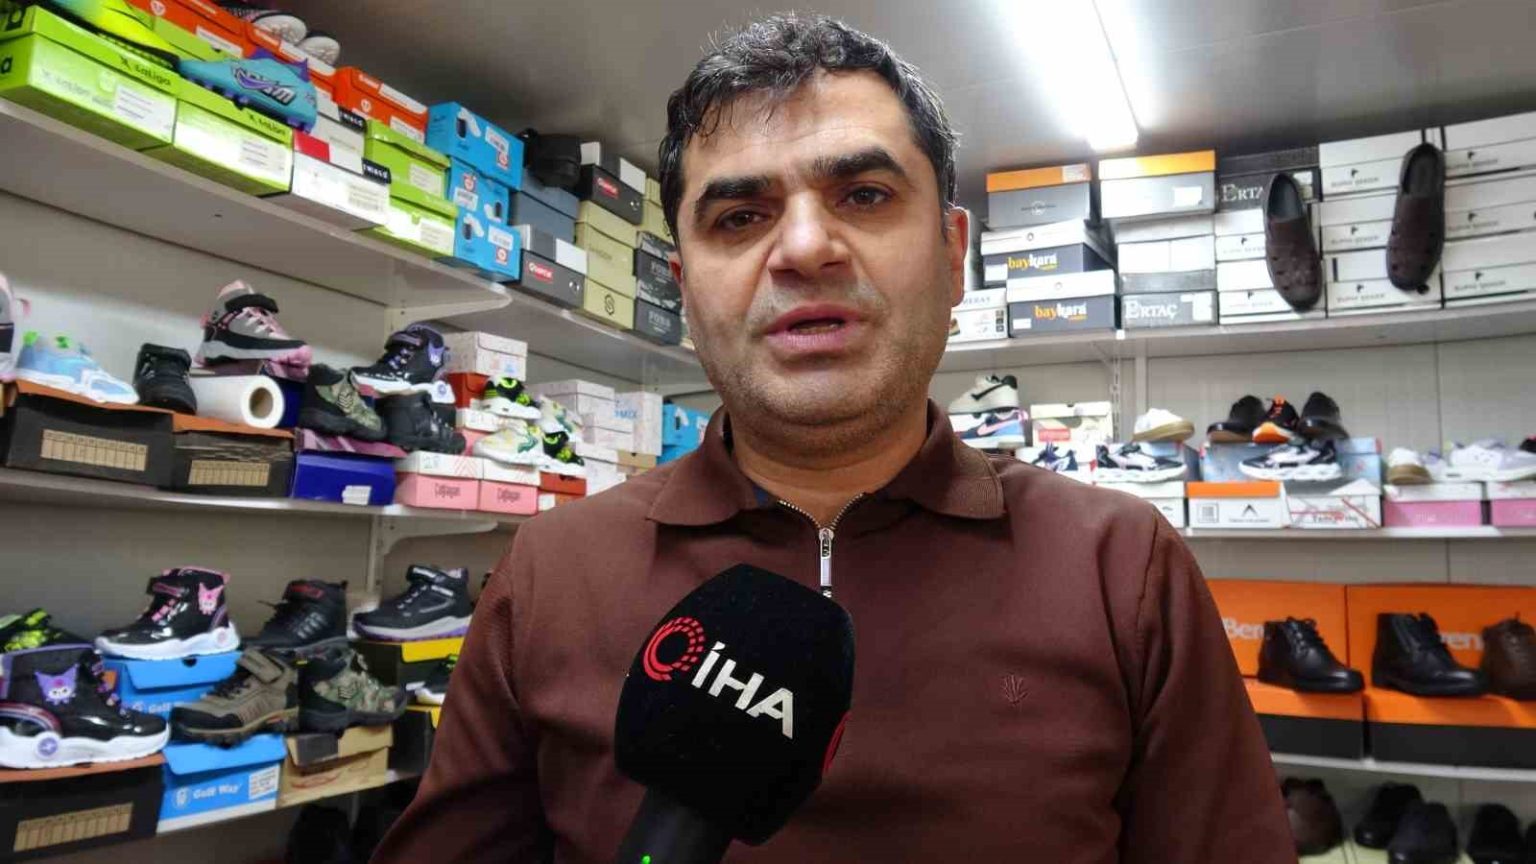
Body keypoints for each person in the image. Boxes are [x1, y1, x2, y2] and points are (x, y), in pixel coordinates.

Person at [373, 14, 1291, 863]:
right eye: (740, 217)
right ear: (684, 288)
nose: (806, 247)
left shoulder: (1122, 568)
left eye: (863, 194)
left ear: (953, 254)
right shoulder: (551, 571)